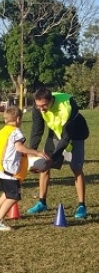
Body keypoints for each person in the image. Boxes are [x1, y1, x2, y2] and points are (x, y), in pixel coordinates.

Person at [27, 87, 90, 218]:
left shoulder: (67, 106)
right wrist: (31, 153)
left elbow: (66, 137)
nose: (41, 109)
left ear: (51, 101)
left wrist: (53, 158)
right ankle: (42, 202)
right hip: (56, 131)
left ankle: (81, 206)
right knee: (44, 166)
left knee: (76, 168)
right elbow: (37, 130)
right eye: (39, 106)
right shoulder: (37, 106)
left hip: (75, 132)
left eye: (44, 105)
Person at [0, 107, 47, 231]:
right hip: (9, 170)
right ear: (18, 119)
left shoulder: (2, 132)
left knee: (8, 191)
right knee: (14, 196)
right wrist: (36, 153)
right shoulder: (16, 132)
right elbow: (19, 148)